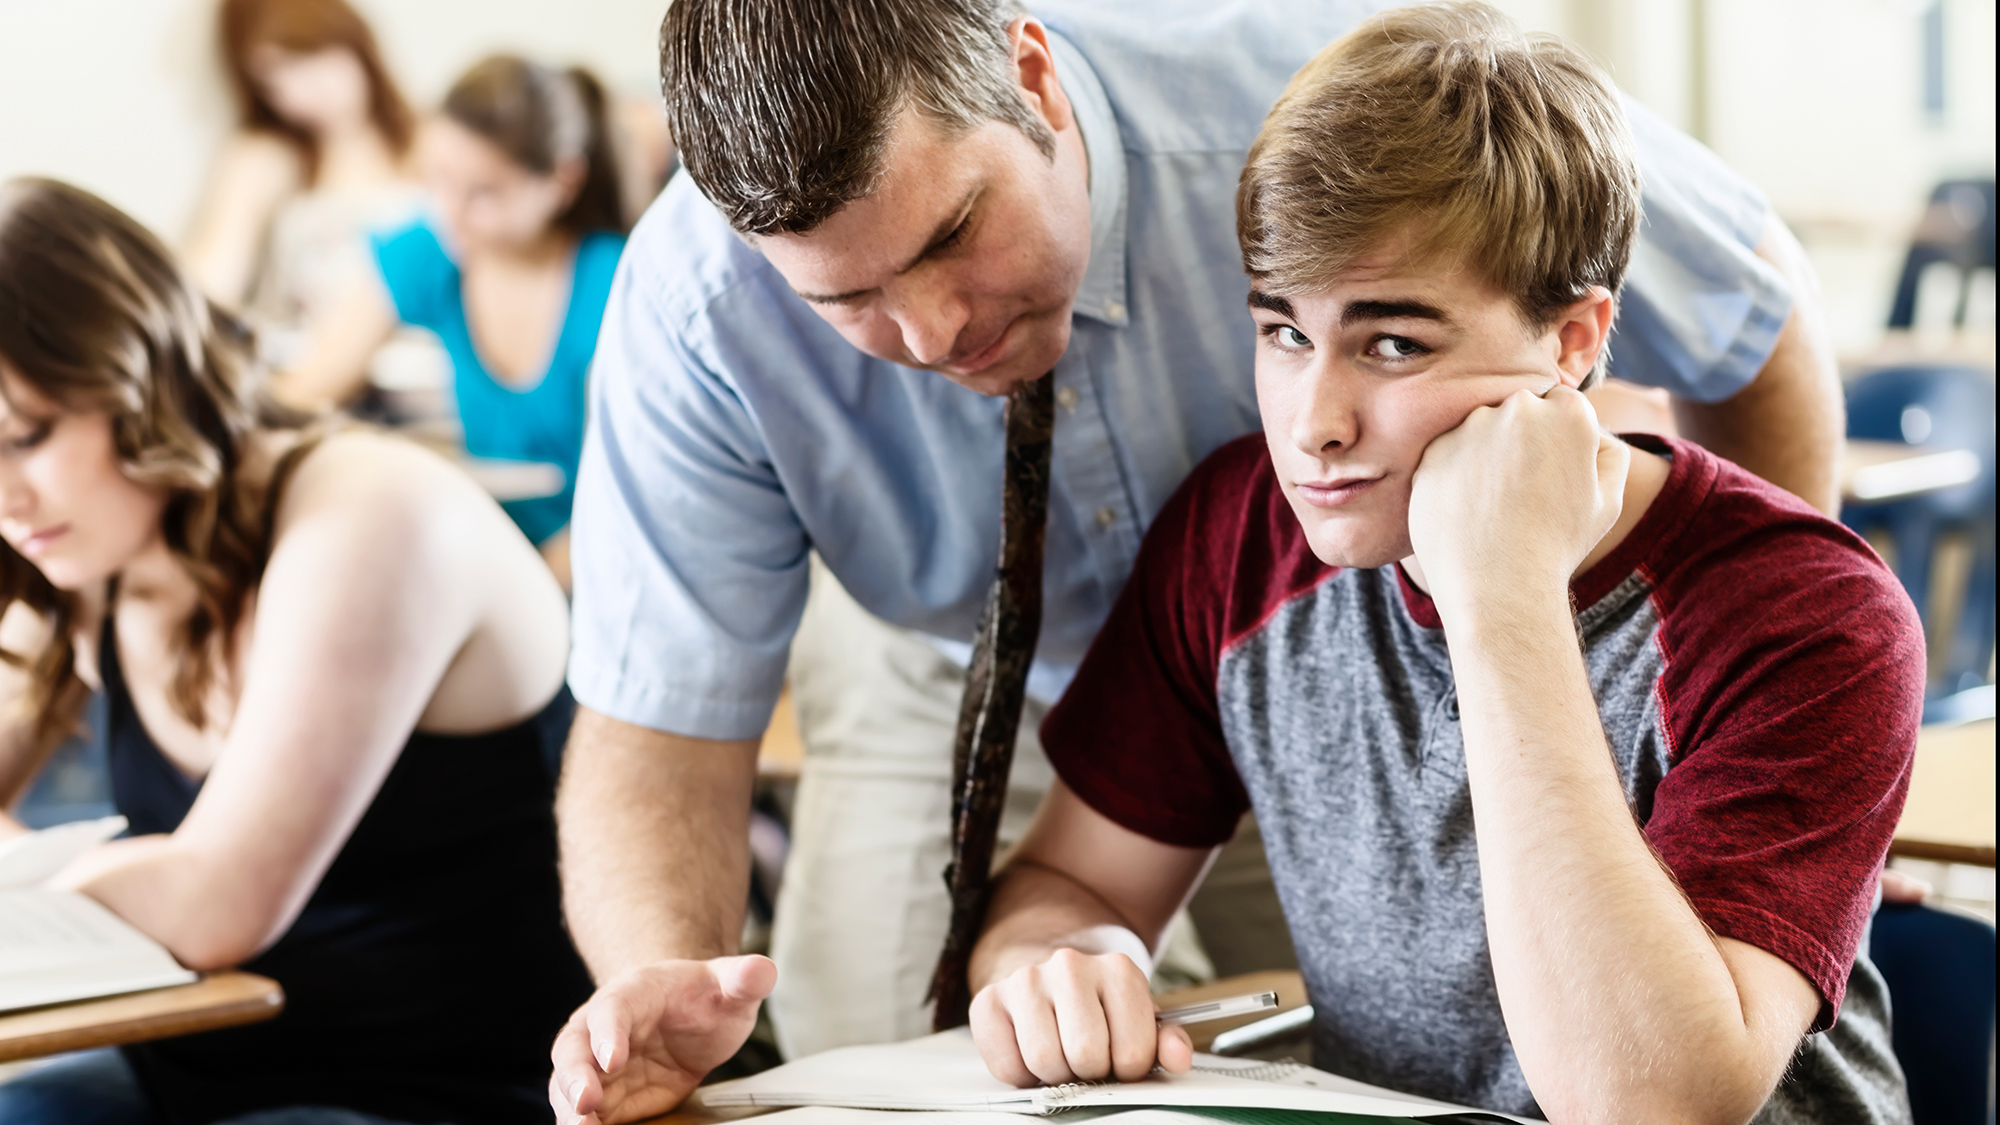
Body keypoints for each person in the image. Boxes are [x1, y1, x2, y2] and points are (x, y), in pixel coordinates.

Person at [547, 1, 1851, 1119]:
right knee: (895, 1061)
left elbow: (1757, 317)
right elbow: (656, 724)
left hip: (1357, 610)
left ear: (1036, 80)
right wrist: (665, 977)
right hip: (997, 660)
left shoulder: (1340, 111)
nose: (934, 332)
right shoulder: (696, 309)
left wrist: (1751, 756)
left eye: (950, 235)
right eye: (847, 300)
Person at [964, 6, 1920, 1121]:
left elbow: (1649, 1106)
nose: (1312, 423)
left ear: (1570, 343)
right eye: (1282, 331)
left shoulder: (1810, 613)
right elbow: (1068, 884)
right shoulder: (1239, 539)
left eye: (1391, 344)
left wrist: (1499, 590)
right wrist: (1062, 962)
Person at [0, 178, 591, 1125]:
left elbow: (216, 902)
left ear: (141, 377)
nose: (8, 498)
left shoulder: (370, 511)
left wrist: (37, 888)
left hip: (438, 1096)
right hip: (201, 1077)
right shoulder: (86, 546)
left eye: (25, 437)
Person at [277, 55, 631, 587]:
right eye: (438, 179)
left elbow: (631, 502)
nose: (451, 210)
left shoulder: (617, 282)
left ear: (562, 181)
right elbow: (307, 389)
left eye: (484, 193)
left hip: (598, 563)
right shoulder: (436, 247)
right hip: (488, 557)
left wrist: (509, 586)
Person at [183, 0, 420, 350]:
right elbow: (210, 281)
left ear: (350, 36)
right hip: (303, 374)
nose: (297, 91)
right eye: (272, 77)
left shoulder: (433, 145)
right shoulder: (266, 157)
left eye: (307, 55)